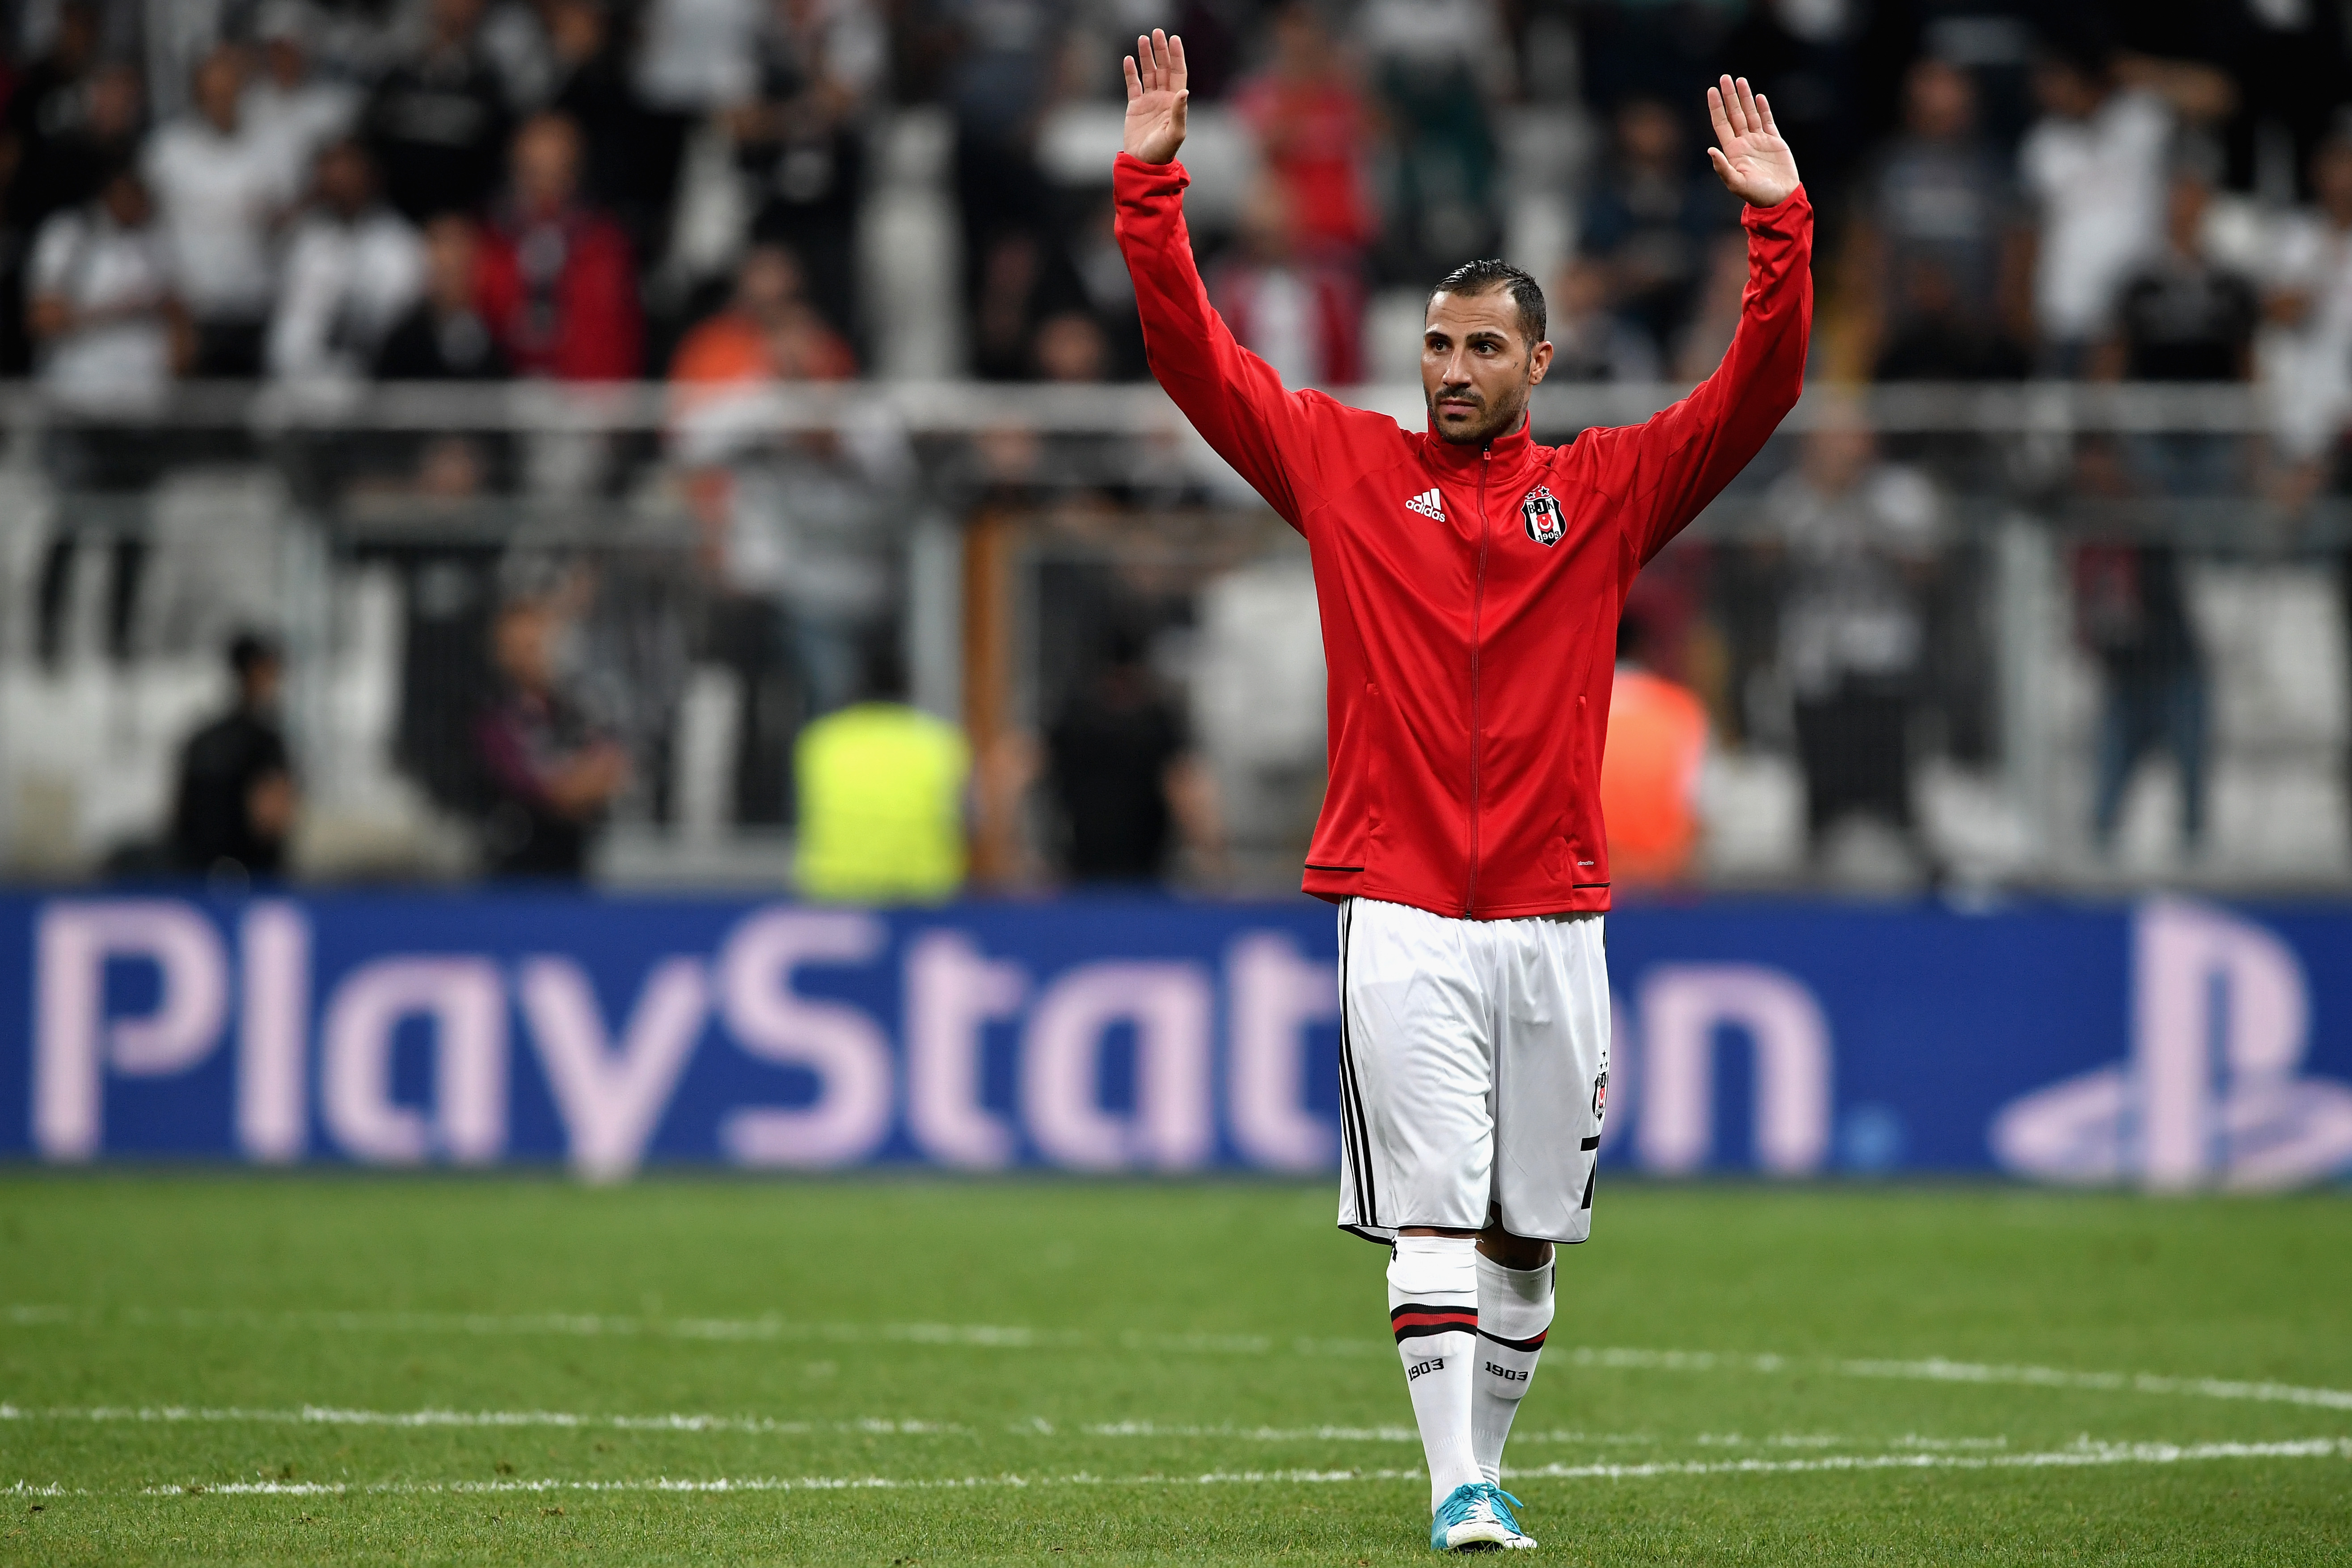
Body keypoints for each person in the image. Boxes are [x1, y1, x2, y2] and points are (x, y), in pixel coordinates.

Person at [1117, 33, 1809, 1551]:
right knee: (1431, 1213)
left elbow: (1759, 391)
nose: (1452, 371)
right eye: (1436, 345)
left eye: (1483, 348)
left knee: (1527, 1236)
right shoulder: (1345, 470)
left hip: (1557, 909)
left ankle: (1487, 1458)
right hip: (1403, 901)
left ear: (1538, 365)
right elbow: (1193, 358)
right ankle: (1459, 1487)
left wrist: (1779, 225)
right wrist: (1151, 185)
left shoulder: (1609, 491)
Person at [143, 46, 299, 376]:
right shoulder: (166, 152)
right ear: (196, 95)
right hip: (191, 310)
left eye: (229, 91)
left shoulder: (273, 148)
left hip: (257, 307)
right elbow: (148, 233)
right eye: (212, 93)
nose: (221, 102)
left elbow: (290, 224)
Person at [793, 640, 971, 903]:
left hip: (836, 894)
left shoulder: (822, 740)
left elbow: (800, 813)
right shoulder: (940, 742)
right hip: (922, 898)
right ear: (908, 687)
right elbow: (971, 821)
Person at [472, 588, 630, 878]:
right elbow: (534, 786)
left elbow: (612, 764)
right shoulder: (492, 713)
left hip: (576, 857)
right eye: (518, 647)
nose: (528, 657)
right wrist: (569, 788)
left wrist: (580, 785)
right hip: (515, 864)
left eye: (535, 646)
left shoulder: (576, 707)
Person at [1043, 625, 1220, 885]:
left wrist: (1210, 859)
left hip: (1143, 876)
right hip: (1084, 875)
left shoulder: (1152, 722)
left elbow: (1186, 788)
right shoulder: (1080, 720)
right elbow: (1187, 789)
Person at [477, 112, 642, 381]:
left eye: (557, 172)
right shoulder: (488, 244)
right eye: (533, 172)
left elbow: (617, 340)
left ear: (576, 174)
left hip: (585, 405)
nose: (544, 187)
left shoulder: (606, 247)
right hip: (501, 403)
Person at [268, 138, 425, 384]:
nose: (339, 183)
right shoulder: (305, 238)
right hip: (295, 384)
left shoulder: (397, 244)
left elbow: (393, 329)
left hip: (368, 386)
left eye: (348, 173)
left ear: (370, 176)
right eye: (330, 174)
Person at [170, 631, 298, 880]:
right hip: (255, 881)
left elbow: (177, 816)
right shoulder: (267, 744)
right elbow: (271, 818)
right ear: (254, 673)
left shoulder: (201, 739)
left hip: (196, 879)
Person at [1600, 612, 1708, 885]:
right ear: (1645, 652)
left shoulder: (1576, 710)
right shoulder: (1681, 711)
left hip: (1592, 889)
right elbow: (1699, 809)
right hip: (1663, 888)